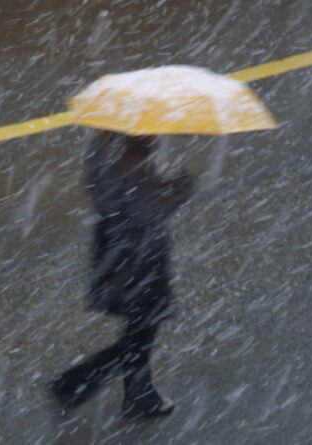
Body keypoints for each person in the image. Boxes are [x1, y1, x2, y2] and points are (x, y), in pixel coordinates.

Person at [51, 130, 195, 419]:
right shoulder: (135, 161)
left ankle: (138, 393)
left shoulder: (101, 146)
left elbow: (101, 190)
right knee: (143, 327)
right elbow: (151, 211)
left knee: (140, 325)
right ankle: (77, 382)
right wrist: (180, 185)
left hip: (112, 245)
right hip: (140, 253)